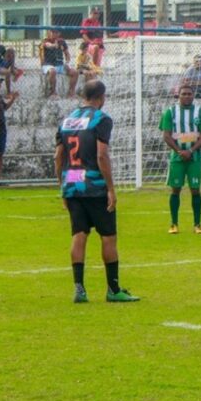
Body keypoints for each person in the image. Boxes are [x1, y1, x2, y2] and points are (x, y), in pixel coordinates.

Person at [54, 80, 139, 303]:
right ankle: (113, 290)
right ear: (101, 96)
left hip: (72, 184)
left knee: (79, 235)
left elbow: (58, 156)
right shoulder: (101, 119)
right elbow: (102, 155)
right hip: (94, 186)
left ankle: (79, 290)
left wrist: (62, 186)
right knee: (108, 237)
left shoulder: (67, 120)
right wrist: (111, 188)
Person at [160, 85, 201, 234]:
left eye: (189, 94)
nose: (187, 96)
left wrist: (191, 150)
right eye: (184, 94)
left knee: (195, 189)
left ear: (193, 95)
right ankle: (174, 224)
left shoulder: (200, 112)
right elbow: (166, 135)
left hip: (194, 157)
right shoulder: (170, 112)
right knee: (176, 189)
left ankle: (197, 224)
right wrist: (180, 151)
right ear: (178, 95)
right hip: (177, 158)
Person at [40, 29, 79, 99]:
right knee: (52, 71)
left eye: (55, 33)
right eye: (52, 32)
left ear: (59, 34)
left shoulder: (62, 41)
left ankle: (71, 92)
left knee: (75, 72)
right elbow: (48, 45)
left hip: (60, 64)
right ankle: (53, 92)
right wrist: (54, 45)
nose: (53, 34)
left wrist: (67, 62)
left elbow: (67, 54)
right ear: (49, 33)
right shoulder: (45, 41)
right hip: (48, 65)